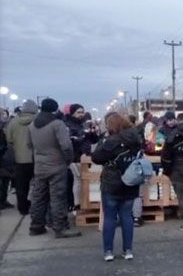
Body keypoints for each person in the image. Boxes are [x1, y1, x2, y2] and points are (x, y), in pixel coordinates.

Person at [91, 114, 142, 261]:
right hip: (130, 182)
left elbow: (96, 158)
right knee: (127, 216)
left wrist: (103, 140)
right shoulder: (135, 139)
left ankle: (108, 251)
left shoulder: (110, 141)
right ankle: (128, 250)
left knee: (110, 217)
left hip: (112, 183)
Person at [28, 98, 80, 238]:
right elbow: (66, 146)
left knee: (38, 197)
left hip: (39, 166)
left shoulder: (32, 125)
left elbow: (29, 145)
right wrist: (68, 160)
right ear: (55, 109)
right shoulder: (57, 124)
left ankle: (36, 226)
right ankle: (60, 227)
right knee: (58, 197)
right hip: (57, 165)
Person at [4, 100, 37, 215]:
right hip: (36, 158)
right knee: (39, 185)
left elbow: (9, 139)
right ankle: (37, 208)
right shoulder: (37, 121)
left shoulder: (13, 122)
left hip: (19, 158)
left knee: (21, 185)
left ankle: (22, 208)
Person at [64, 104, 94, 210]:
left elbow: (93, 139)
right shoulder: (68, 124)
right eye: (79, 112)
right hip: (75, 156)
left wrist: (92, 133)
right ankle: (77, 204)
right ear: (73, 113)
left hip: (85, 155)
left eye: (82, 112)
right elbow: (70, 141)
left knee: (83, 180)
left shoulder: (83, 124)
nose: (81, 114)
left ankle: (82, 202)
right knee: (78, 179)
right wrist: (83, 135)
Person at [0, 108, 13, 209]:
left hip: (5, 157)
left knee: (5, 180)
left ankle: (3, 200)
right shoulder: (4, 126)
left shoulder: (5, 125)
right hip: (3, 156)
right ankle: (2, 201)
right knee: (3, 181)